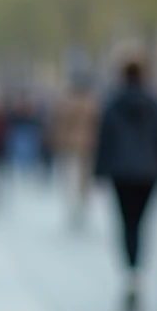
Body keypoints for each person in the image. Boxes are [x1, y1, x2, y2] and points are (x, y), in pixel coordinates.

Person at [94, 57, 157, 311]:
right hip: (148, 172)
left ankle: (130, 273)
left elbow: (104, 140)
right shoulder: (156, 103)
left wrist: (99, 172)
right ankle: (138, 272)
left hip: (121, 172)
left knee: (126, 223)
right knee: (141, 223)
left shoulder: (112, 104)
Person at [50, 75, 100, 228]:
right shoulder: (92, 104)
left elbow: (59, 125)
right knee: (83, 180)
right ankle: (82, 207)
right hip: (87, 146)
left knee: (70, 178)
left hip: (69, 146)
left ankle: (74, 208)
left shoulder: (66, 104)